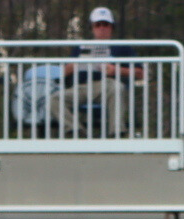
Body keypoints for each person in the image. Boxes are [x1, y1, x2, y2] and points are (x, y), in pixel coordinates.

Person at [59, 6, 144, 135]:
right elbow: (63, 73)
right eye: (98, 25)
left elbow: (140, 73)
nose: (102, 28)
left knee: (116, 87)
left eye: (106, 24)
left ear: (112, 27)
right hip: (81, 88)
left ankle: (116, 132)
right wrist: (73, 66)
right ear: (92, 28)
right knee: (53, 99)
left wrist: (117, 70)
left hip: (108, 87)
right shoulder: (80, 47)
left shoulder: (122, 47)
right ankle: (76, 131)